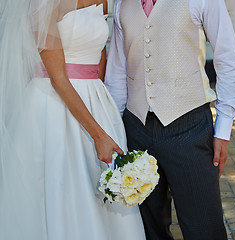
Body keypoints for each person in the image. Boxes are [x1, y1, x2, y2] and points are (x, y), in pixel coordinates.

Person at [0, 0, 145, 239]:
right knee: (59, 185)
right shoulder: (43, 4)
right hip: (52, 104)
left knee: (102, 188)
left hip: (96, 100)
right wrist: (98, 135)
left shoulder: (105, 2)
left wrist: (106, 112)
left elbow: (100, 62)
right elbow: (58, 78)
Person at [105, 0, 235, 239]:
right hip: (136, 128)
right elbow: (117, 70)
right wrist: (115, 130)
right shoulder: (122, 4)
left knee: (204, 228)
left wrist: (222, 130)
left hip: (190, 127)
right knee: (149, 229)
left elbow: (227, 59)